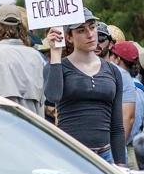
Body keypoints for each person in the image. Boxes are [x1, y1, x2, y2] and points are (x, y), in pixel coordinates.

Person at [43, 13, 126, 164]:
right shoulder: (57, 67)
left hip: (105, 156)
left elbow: (117, 126)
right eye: (81, 30)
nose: (90, 34)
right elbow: (52, 96)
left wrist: (121, 165)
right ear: (69, 37)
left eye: (92, 27)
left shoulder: (113, 71)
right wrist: (55, 53)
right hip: (70, 154)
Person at [0, 5, 46, 118]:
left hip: (3, 128)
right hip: (32, 129)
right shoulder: (36, 56)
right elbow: (41, 104)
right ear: (21, 28)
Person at [109, 40, 144, 138]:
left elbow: (131, 122)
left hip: (128, 147)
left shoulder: (134, 89)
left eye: (110, 54)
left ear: (117, 59)